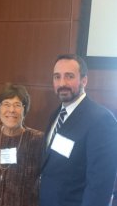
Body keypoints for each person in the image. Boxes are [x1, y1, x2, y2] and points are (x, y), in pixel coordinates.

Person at [39, 54, 117, 206]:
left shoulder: (102, 120)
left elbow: (100, 185)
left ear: (84, 80)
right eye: (57, 77)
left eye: (69, 76)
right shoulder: (56, 114)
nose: (62, 83)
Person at [0, 84, 44, 206]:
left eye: (17, 105)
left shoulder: (37, 140)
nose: (11, 110)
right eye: (6, 104)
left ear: (25, 110)